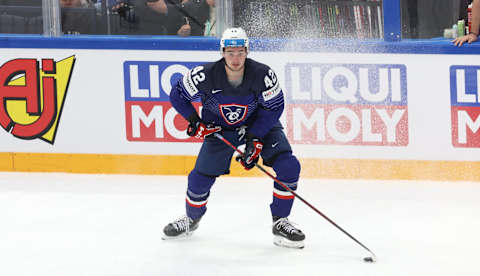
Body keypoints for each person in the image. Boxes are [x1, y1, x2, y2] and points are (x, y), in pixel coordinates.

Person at [163, 27, 306, 249]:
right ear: (222, 52)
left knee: (289, 167)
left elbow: (275, 106)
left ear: (247, 51)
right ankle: (191, 219)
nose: (236, 58)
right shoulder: (205, 74)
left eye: (240, 52)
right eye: (230, 53)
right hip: (220, 131)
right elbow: (177, 94)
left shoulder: (263, 74)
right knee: (199, 180)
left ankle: (280, 222)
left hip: (258, 124)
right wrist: (195, 121)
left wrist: (256, 138)